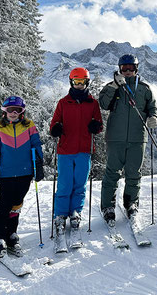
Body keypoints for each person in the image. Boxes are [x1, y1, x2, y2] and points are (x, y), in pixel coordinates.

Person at [99, 54, 157, 224]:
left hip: (138, 137)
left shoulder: (145, 89)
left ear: (136, 69)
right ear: (119, 69)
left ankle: (131, 203)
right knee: (112, 173)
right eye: (124, 68)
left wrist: (154, 117)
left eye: (130, 68)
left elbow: (152, 107)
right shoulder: (112, 86)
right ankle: (108, 206)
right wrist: (114, 86)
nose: (127, 71)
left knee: (134, 174)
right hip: (115, 137)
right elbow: (103, 104)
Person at [50, 68, 103, 242]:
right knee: (65, 184)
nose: (79, 85)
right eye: (76, 82)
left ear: (87, 83)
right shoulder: (63, 103)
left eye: (82, 82)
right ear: (71, 82)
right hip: (66, 150)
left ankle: (75, 214)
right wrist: (56, 129)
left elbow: (99, 124)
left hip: (84, 150)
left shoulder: (92, 103)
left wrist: (96, 126)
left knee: (80, 184)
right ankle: (60, 216)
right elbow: (54, 124)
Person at [0, 96, 44, 257]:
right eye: (10, 110)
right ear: (4, 111)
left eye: (17, 110)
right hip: (5, 172)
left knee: (17, 204)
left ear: (22, 111)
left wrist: (38, 166)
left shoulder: (29, 126)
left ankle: (10, 234)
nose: (13, 113)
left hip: (25, 171)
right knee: (5, 204)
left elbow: (36, 145)